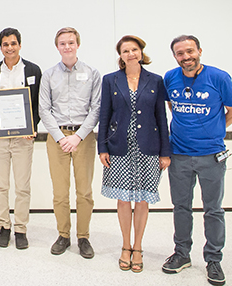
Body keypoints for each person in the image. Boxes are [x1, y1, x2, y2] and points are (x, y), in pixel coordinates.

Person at [161, 35, 232, 286]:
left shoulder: (219, 77)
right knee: (181, 207)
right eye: (180, 54)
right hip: (179, 155)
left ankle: (213, 260)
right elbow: (173, 106)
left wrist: (214, 130)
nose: (186, 57)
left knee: (213, 209)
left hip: (211, 157)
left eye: (190, 51)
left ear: (199, 51)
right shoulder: (170, 77)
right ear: (175, 57)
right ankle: (182, 254)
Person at [97, 35, 171, 272]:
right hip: (119, 148)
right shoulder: (110, 80)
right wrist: (102, 148)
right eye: (125, 50)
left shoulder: (156, 81)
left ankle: (138, 247)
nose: (130, 54)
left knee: (142, 200)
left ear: (141, 52)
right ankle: (125, 245)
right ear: (120, 55)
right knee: (123, 198)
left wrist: (165, 151)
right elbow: (104, 115)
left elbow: (162, 116)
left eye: (134, 49)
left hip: (148, 148)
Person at [38, 27, 101, 258]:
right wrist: (60, 137)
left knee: (84, 192)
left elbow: (96, 109)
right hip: (57, 139)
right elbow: (44, 109)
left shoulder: (92, 73)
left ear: (78, 45)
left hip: (83, 138)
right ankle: (63, 235)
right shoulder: (48, 75)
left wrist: (78, 136)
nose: (67, 47)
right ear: (57, 47)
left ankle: (83, 237)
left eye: (71, 43)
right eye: (63, 43)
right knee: (60, 192)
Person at [0, 27, 42, 249]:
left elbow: (37, 104)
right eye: (5, 44)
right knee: (0, 185)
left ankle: (20, 228)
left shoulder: (33, 70)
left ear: (19, 45)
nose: (10, 48)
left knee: (22, 186)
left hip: (23, 138)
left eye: (13, 43)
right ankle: (4, 226)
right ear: (1, 47)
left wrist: (32, 126)